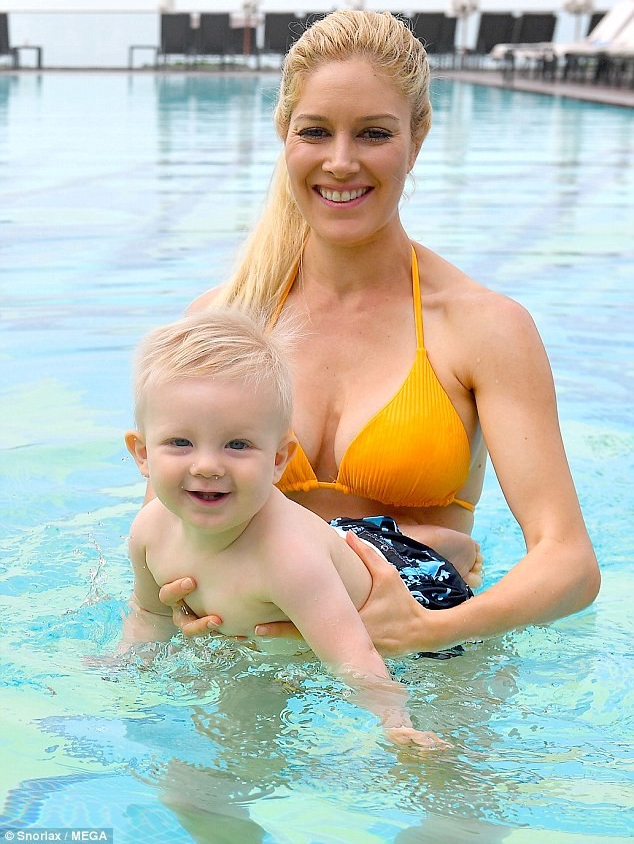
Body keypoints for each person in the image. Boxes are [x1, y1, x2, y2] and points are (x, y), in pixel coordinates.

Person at [157, 10, 600, 657]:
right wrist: (179, 597)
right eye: (315, 131)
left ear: (417, 139)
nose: (341, 162)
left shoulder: (482, 327)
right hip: (249, 649)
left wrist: (428, 629)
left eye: (373, 133)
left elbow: (570, 564)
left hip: (424, 656)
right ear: (285, 134)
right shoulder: (225, 321)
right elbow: (164, 518)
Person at [121, 308, 471, 748]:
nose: (207, 465)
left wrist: (395, 723)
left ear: (279, 459)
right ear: (142, 453)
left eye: (237, 444)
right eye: (180, 442)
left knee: (419, 581)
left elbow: (355, 655)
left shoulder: (288, 559)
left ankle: (439, 548)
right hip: (336, 542)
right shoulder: (149, 532)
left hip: (415, 588)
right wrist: (125, 666)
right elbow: (150, 613)